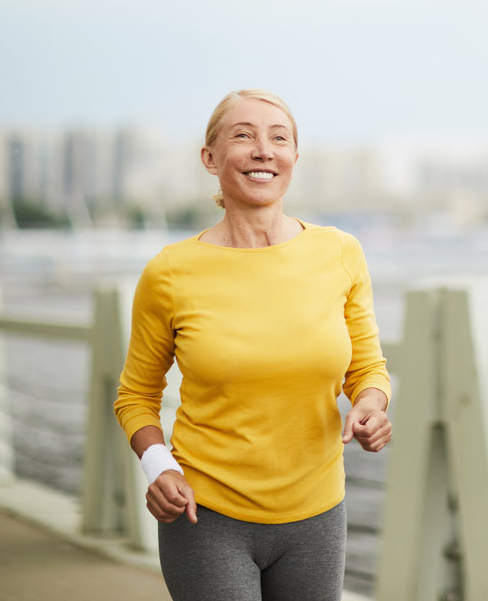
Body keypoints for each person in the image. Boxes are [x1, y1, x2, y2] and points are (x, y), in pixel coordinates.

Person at [114, 89, 392, 601]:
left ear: (293, 158)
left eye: (278, 138)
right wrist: (160, 468)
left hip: (318, 515)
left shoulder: (340, 252)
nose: (264, 150)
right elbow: (135, 397)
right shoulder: (170, 272)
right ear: (210, 159)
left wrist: (372, 406)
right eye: (243, 135)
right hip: (205, 515)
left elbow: (367, 368)